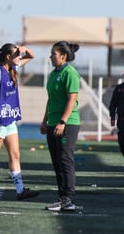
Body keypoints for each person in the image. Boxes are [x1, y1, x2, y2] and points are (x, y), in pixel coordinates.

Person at [0, 43, 39, 201]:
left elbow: (32, 56)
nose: (19, 58)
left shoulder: (13, 68)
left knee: (15, 155)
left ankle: (20, 190)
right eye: (16, 55)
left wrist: (23, 49)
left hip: (10, 119)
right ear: (8, 57)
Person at [40, 41, 81, 211]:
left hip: (68, 123)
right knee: (56, 161)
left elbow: (72, 98)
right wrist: (45, 120)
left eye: (53, 54)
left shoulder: (70, 73)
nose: (50, 57)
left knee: (65, 160)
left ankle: (68, 198)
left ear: (63, 56)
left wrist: (62, 121)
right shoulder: (53, 74)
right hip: (52, 123)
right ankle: (61, 196)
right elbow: (50, 99)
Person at [109, 66, 124, 172]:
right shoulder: (119, 88)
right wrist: (112, 116)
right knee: (122, 143)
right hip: (121, 120)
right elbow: (113, 103)